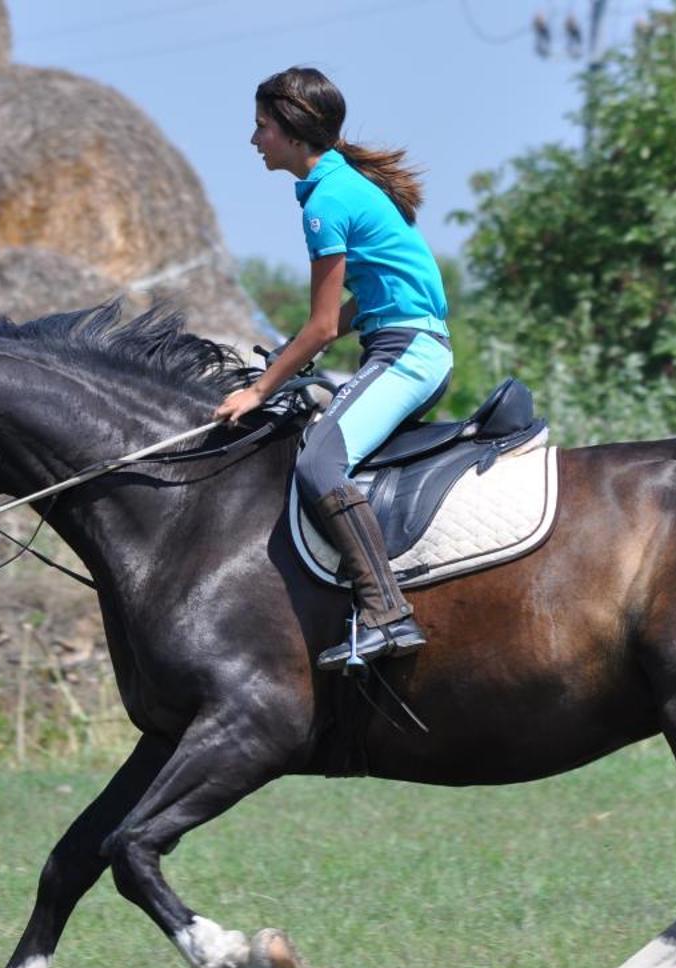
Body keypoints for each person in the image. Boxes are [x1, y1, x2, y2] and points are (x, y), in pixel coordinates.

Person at [213, 66, 452, 670]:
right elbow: (355, 304)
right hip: (404, 344)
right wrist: (296, 351)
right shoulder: (342, 187)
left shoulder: (327, 200)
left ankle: (387, 615)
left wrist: (259, 390)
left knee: (320, 460)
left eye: (262, 127)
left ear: (293, 132)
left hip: (410, 352)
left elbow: (322, 325)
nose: (254, 140)